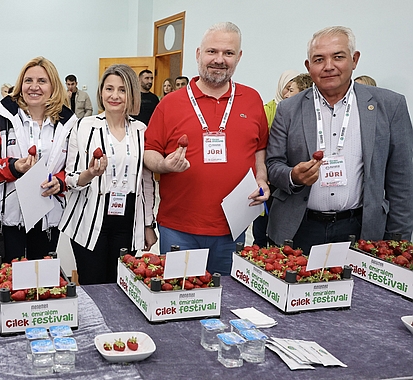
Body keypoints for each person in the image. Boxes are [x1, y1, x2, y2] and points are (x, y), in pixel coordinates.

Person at [266, 26, 413, 255]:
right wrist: (293, 176)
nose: (328, 66)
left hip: (361, 229)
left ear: (354, 60)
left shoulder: (390, 106)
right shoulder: (288, 109)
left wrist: (399, 243)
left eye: (338, 57)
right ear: (308, 66)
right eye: (319, 59)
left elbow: (402, 181)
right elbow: (273, 164)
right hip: (300, 229)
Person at [144, 22, 269, 275]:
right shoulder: (170, 103)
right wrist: (165, 165)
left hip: (232, 227)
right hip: (179, 227)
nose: (219, 60)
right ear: (198, 54)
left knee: (227, 300)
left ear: (239, 57)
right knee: (179, 299)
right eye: (212, 51)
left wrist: (262, 178)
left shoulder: (253, 99)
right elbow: (149, 151)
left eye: (228, 53)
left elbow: (259, 150)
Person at [60, 64, 157, 285]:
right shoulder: (84, 127)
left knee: (122, 286)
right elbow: (70, 178)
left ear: (131, 93)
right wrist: (90, 173)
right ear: (101, 91)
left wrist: (148, 225)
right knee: (93, 284)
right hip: (91, 216)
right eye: (109, 88)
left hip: (128, 219)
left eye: (122, 90)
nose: (114, 96)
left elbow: (147, 183)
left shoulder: (141, 130)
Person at [0, 57, 77, 263]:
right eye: (28, 80)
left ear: (53, 86)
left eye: (42, 81)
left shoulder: (68, 124)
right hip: (9, 219)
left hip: (48, 217)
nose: (34, 87)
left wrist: (59, 181)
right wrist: (13, 167)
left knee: (42, 283)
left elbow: (74, 168)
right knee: (11, 284)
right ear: (20, 85)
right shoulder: (1, 118)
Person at [252, 69, 299, 246]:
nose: (287, 94)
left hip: (290, 180)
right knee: (261, 228)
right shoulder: (267, 110)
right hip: (268, 176)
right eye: (286, 88)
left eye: (292, 89)